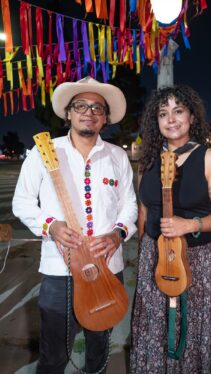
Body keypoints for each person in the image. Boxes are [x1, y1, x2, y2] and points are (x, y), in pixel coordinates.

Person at [12, 76, 138, 374]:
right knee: (54, 356)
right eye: (80, 105)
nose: (89, 112)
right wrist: (50, 225)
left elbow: (129, 204)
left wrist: (119, 233)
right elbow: (22, 202)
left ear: (105, 117)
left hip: (108, 268)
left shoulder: (117, 156)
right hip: (59, 272)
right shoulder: (44, 152)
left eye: (97, 107)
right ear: (68, 113)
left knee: (99, 352)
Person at [130, 85, 211, 374]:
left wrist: (191, 224)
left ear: (191, 117)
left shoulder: (209, 157)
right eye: (163, 113)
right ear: (156, 122)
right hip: (156, 255)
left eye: (178, 111)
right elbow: (144, 211)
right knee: (155, 326)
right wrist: (145, 253)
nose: (171, 119)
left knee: (193, 326)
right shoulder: (147, 162)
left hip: (199, 258)